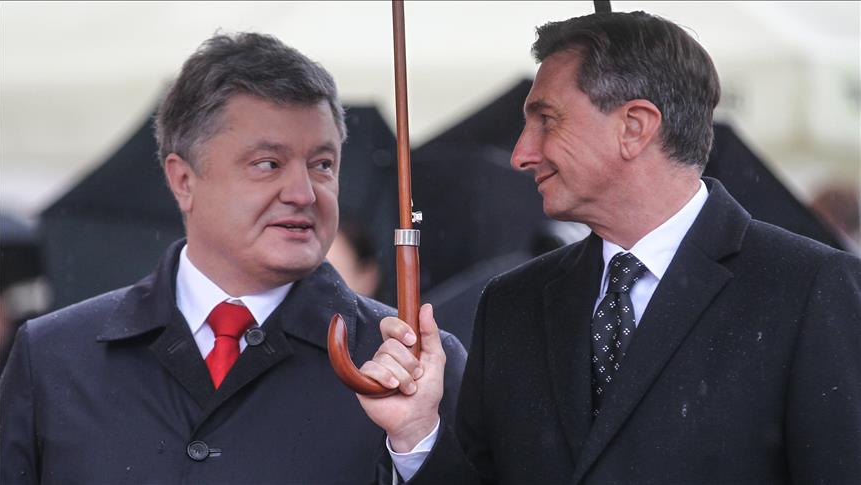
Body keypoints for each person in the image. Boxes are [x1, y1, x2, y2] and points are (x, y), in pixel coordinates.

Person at [357, 11, 861, 484]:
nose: (520, 154)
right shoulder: (511, 305)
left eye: (546, 119)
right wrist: (417, 434)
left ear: (634, 127)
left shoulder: (811, 289)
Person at [0, 32, 466, 484]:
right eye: (268, 164)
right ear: (183, 180)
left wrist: (415, 444)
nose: (303, 193)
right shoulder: (52, 357)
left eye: (322, 165)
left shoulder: (417, 371)